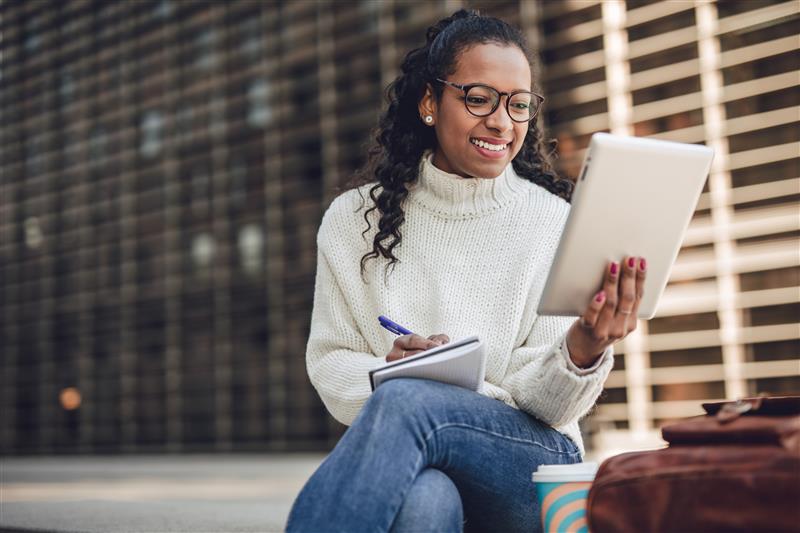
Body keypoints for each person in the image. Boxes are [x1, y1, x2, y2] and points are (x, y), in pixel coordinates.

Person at [286, 9, 646, 533]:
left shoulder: (552, 221)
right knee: (425, 502)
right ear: (430, 103)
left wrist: (584, 346)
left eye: (518, 105)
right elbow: (330, 360)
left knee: (408, 401)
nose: (501, 122)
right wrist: (388, 370)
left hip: (529, 465)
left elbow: (544, 405)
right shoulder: (351, 221)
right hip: (414, 448)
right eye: (478, 99)